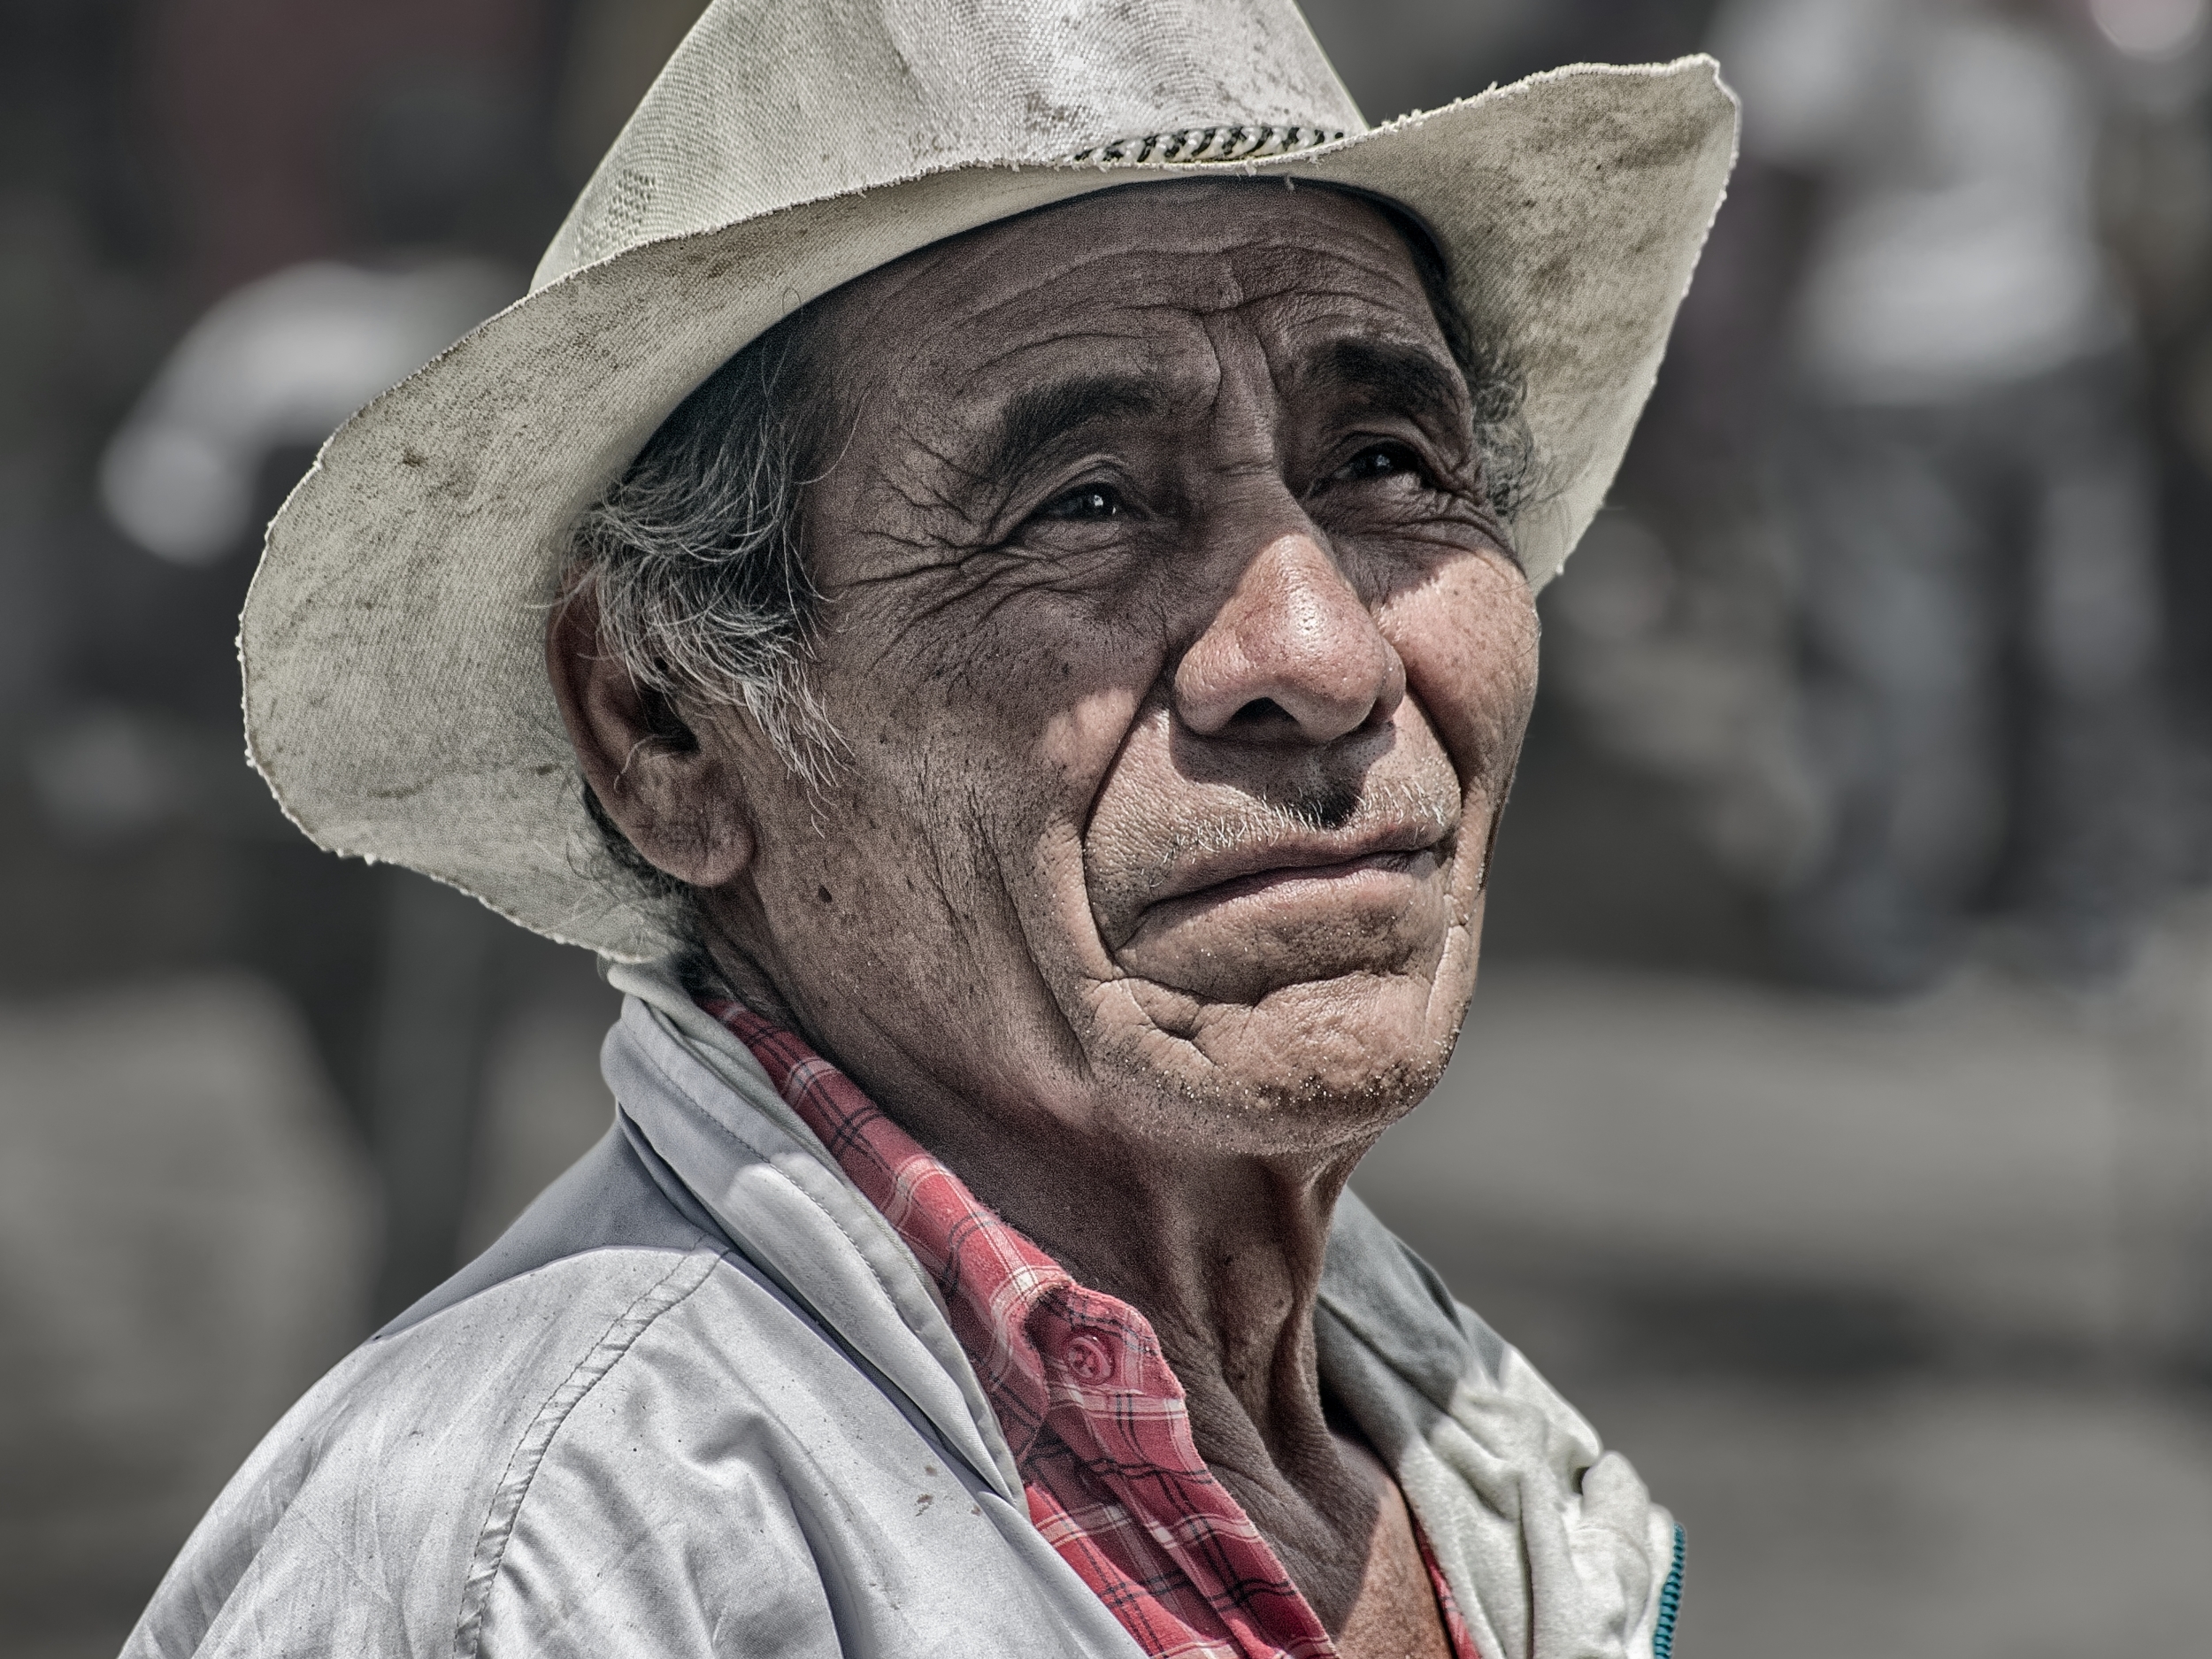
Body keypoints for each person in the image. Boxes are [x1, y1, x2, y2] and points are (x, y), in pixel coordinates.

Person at [123, 2, 1734, 1655]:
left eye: (1389, 463)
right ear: (662, 725)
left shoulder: (1437, 1430)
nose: (1319, 656)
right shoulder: (547, 1569)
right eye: (1086, 505)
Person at [1714, 0, 2172, 990]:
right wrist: (1732, 386)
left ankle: (2073, 909)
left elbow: (2160, 71)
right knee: (1900, 669)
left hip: (2064, 355)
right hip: (1877, 371)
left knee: (2084, 652)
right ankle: (1878, 927)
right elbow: (1764, 167)